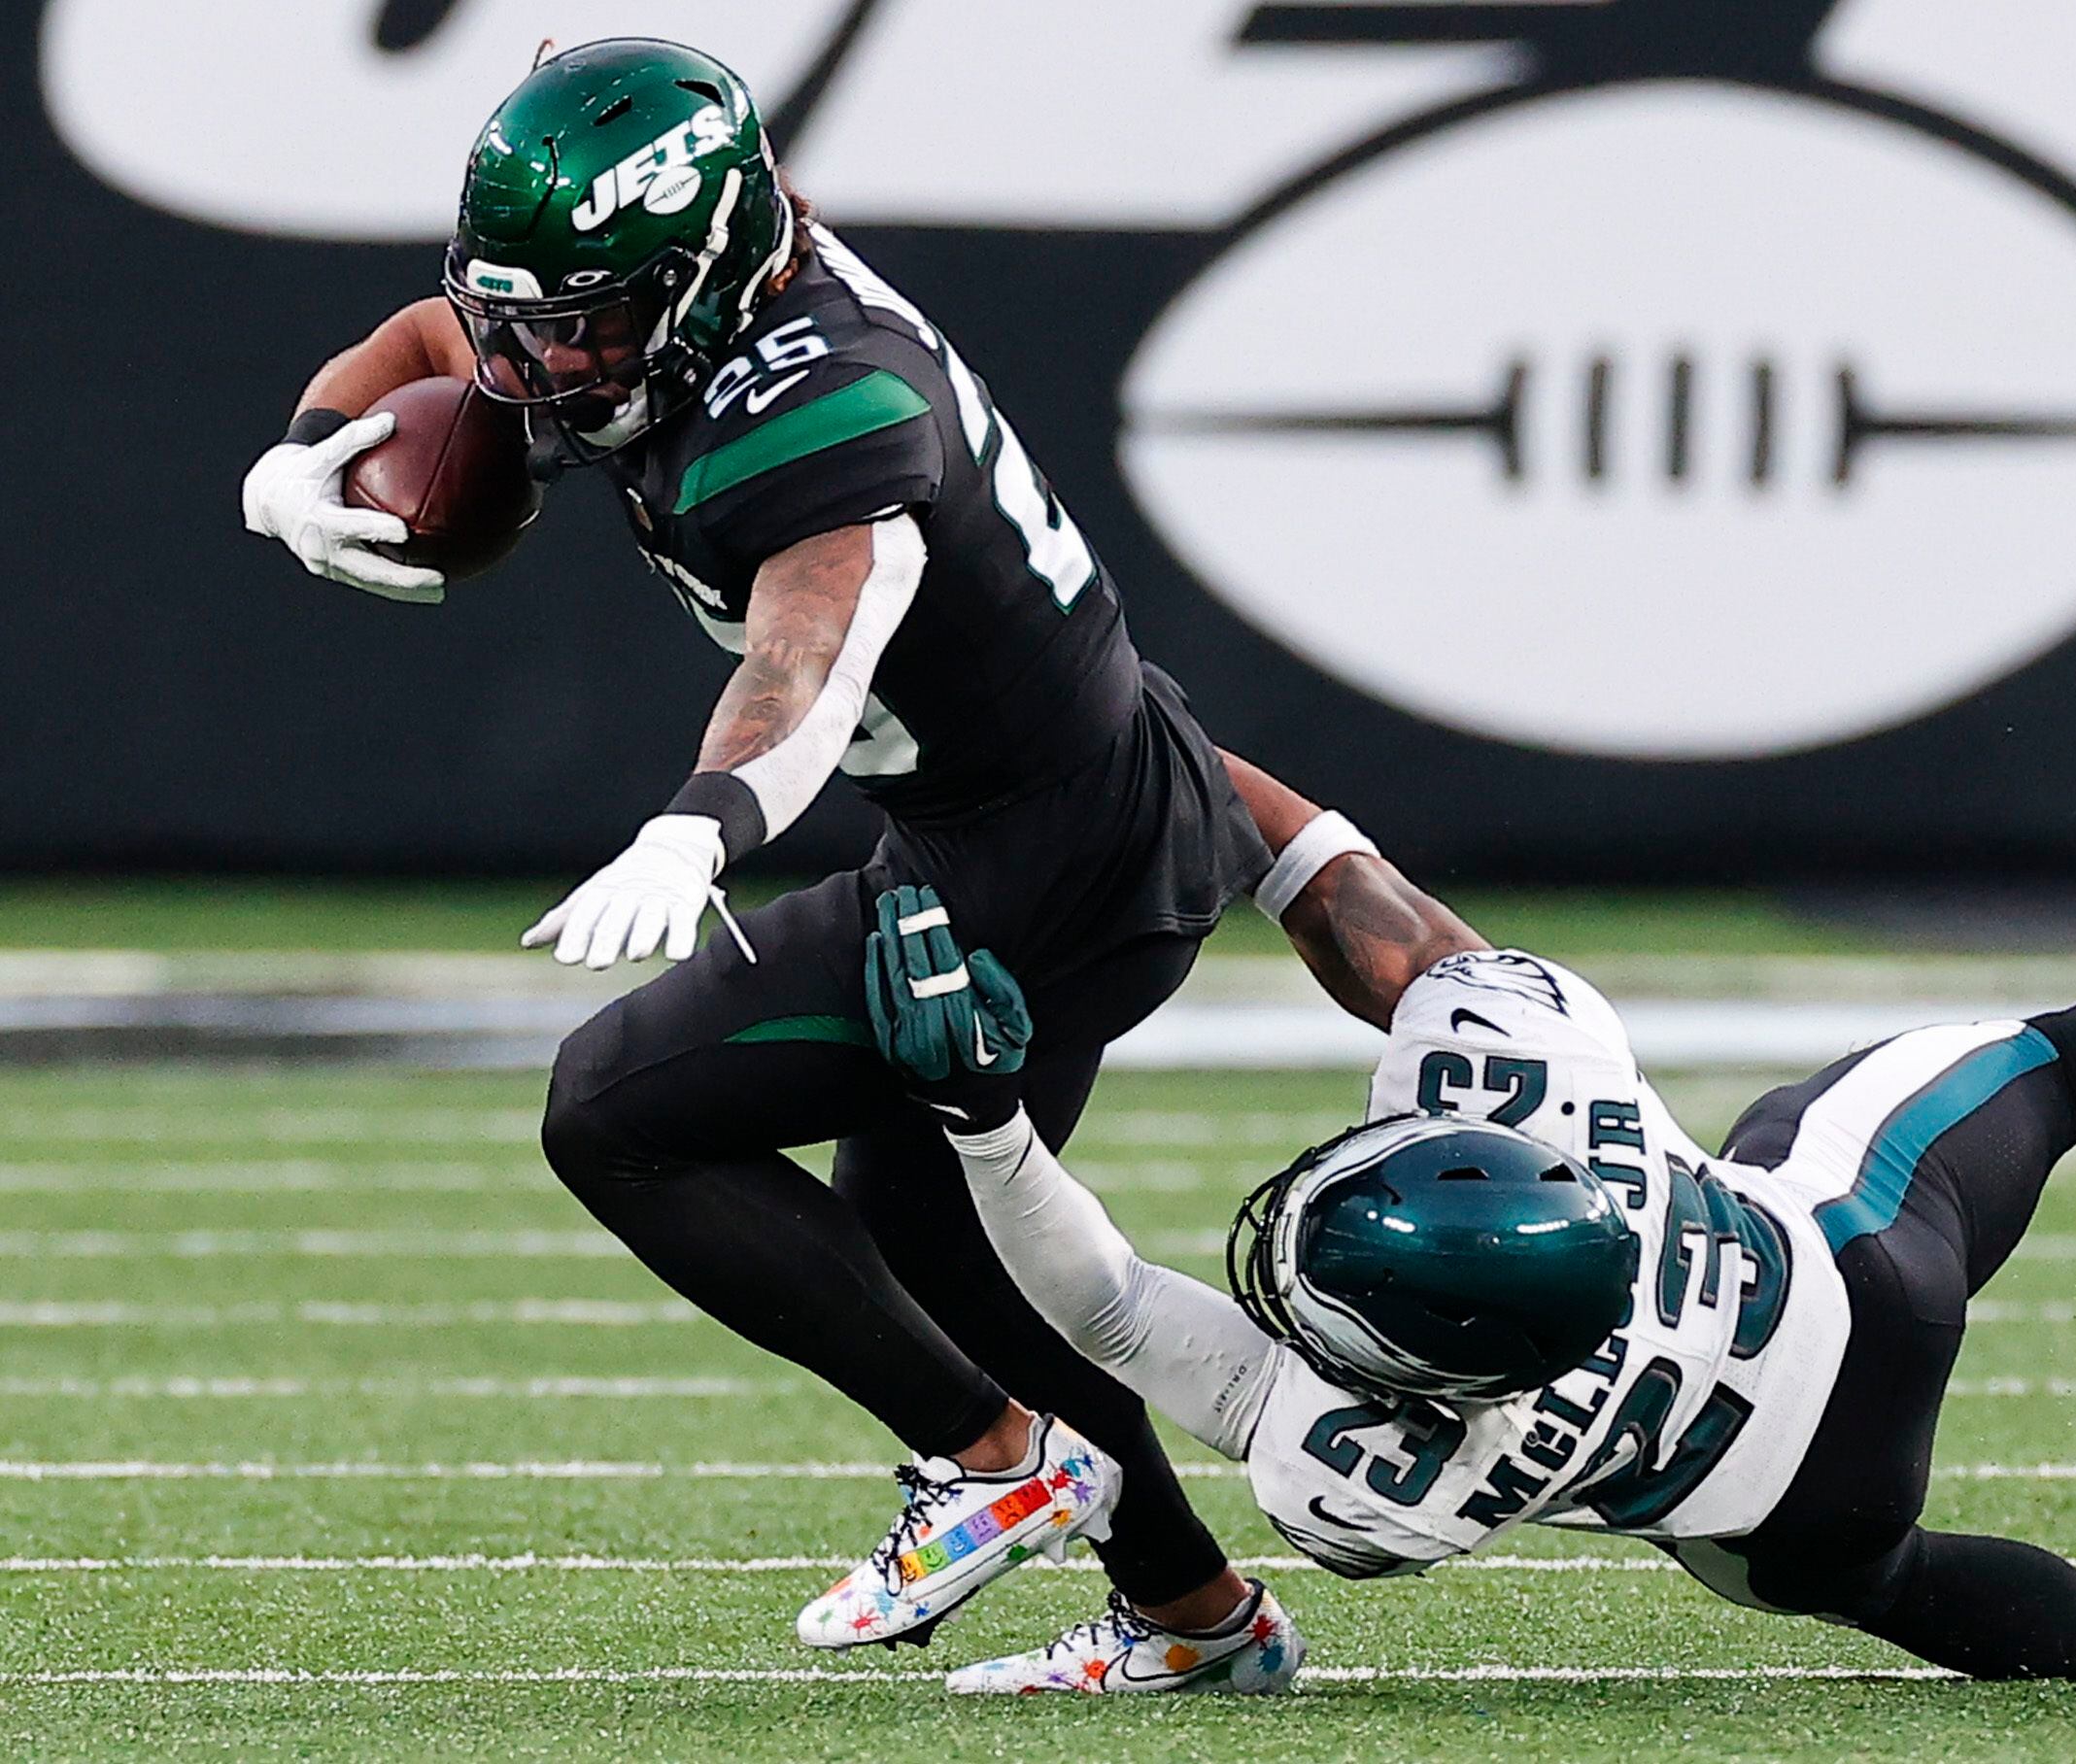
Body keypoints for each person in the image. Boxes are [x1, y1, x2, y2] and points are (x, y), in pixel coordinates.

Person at [238, 37, 1302, 1689]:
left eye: (580, 323)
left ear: (712, 271)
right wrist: (305, 449)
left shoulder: (824, 398)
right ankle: (1196, 1617)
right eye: (528, 312)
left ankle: (1000, 1460)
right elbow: (442, 334)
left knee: (617, 1114)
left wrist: (700, 822)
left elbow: (807, 662)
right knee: (940, 1235)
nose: (534, 364)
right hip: (1046, 812)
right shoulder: (648, 299)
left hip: (1045, 863)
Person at [854, 762, 2076, 1688]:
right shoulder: (1527, 1063)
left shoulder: (1380, 1486)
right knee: (2063, 1063)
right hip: (1862, 1263)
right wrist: (1160, 762)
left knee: (1896, 1591)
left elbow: (1107, 1307)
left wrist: (986, 1118)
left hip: (1787, 1504)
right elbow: (1348, 885)